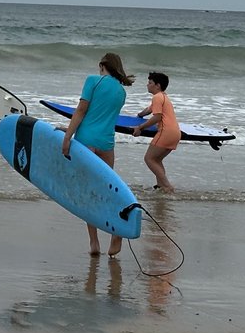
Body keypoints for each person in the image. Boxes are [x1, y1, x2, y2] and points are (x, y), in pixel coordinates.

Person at [59, 51, 135, 256]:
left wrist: (67, 137)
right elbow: (104, 117)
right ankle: (117, 232)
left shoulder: (93, 81)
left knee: (88, 193)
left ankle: (94, 242)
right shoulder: (121, 92)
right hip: (106, 144)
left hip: (85, 141)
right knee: (107, 191)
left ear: (102, 65)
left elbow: (81, 111)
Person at [133, 71, 181, 192]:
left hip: (165, 132)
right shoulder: (163, 97)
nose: (147, 85)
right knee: (157, 160)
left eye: (150, 83)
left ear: (157, 85)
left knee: (149, 158)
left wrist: (140, 127)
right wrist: (140, 115)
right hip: (175, 133)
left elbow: (157, 117)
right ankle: (161, 186)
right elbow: (149, 110)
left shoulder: (157, 97)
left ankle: (167, 186)